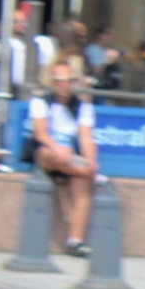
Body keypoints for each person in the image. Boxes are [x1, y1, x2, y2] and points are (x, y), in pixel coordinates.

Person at [28, 59, 100, 255]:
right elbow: (41, 133)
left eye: (68, 81)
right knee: (55, 156)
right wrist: (59, 148)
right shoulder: (41, 102)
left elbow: (86, 138)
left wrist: (91, 160)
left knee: (83, 182)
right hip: (49, 153)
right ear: (53, 82)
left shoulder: (82, 107)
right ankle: (84, 169)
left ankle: (75, 240)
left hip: (71, 159)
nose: (64, 85)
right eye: (60, 81)